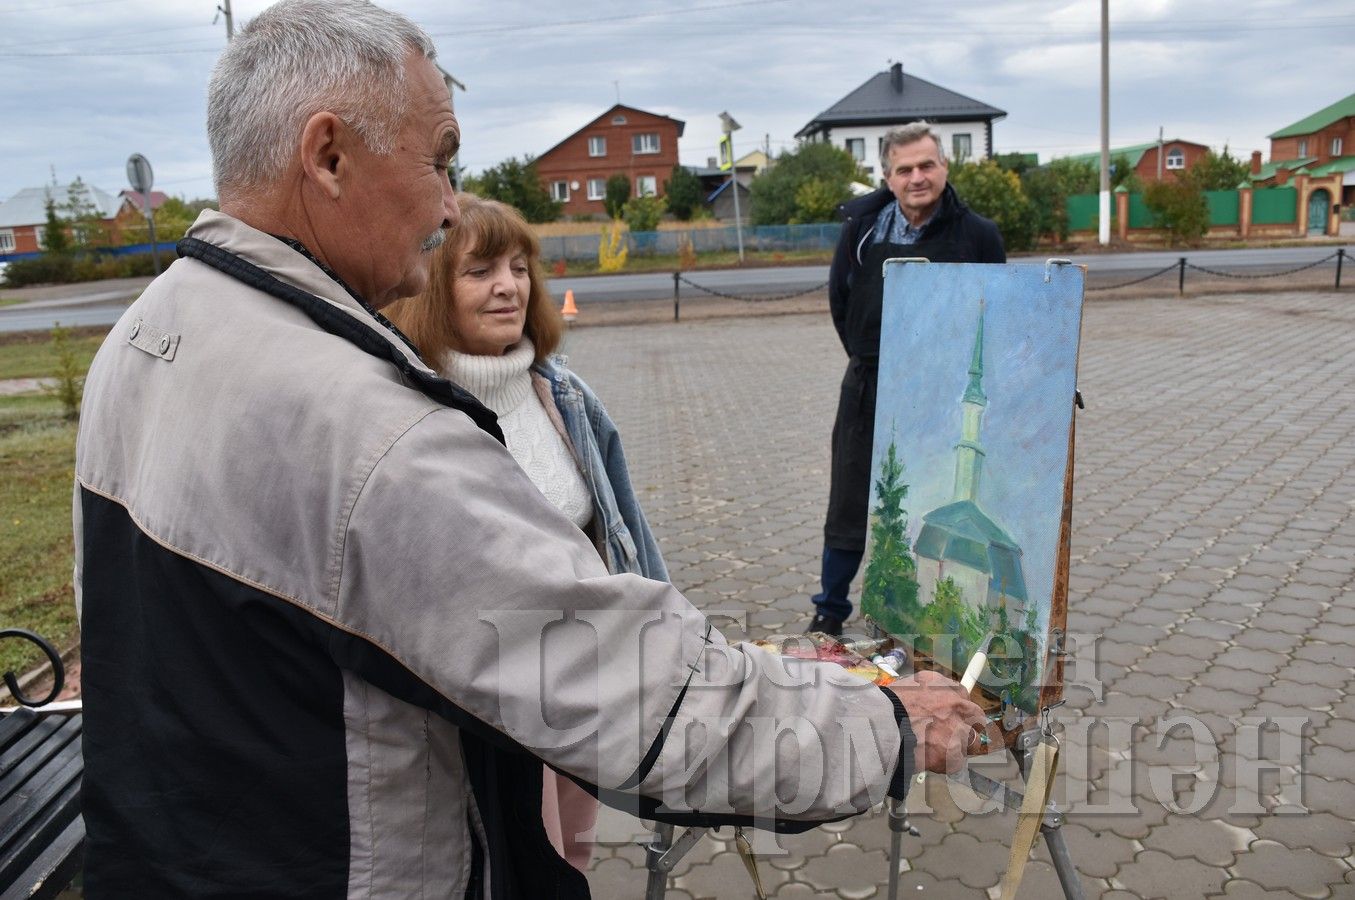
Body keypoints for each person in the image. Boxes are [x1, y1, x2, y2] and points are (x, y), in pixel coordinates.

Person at [73, 2, 989, 896]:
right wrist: (885, 725)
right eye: (437, 160)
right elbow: (636, 697)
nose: (447, 203)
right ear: (328, 155)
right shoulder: (365, 431)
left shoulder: (149, 332)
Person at [384, 193, 668, 872]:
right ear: (430, 285)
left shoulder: (564, 393)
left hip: (579, 680)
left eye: (518, 266)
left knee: (571, 851)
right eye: (479, 271)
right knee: (510, 858)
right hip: (480, 703)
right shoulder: (407, 409)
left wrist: (666, 652)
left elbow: (623, 529)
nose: (509, 285)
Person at [808, 122, 1007, 637]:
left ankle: (914, 612)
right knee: (849, 499)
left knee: (926, 495)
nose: (918, 177)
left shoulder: (978, 235)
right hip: (869, 385)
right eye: (905, 169)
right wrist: (875, 364)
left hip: (943, 394)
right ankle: (830, 610)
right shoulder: (863, 230)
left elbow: (996, 309)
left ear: (944, 167)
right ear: (887, 177)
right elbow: (841, 302)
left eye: (927, 165)